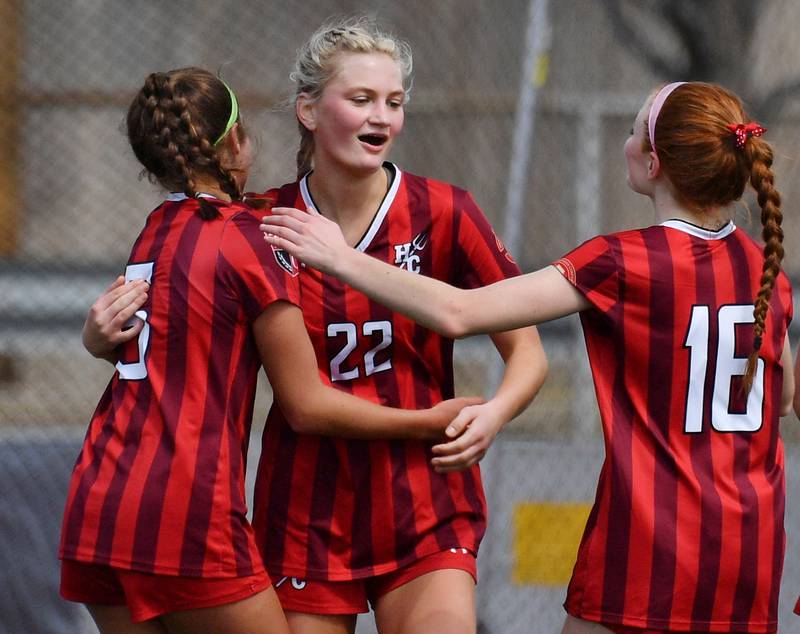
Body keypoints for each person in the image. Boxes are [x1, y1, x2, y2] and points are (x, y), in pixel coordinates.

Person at [262, 81, 795, 633]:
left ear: (654, 162)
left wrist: (339, 257)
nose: (626, 141)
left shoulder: (622, 260)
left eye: (634, 130)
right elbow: (780, 402)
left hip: (651, 546)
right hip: (749, 547)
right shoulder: (766, 271)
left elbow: (460, 313)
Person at [60, 67, 480, 634]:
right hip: (186, 511)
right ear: (234, 142)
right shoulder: (254, 236)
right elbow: (305, 404)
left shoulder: (156, 229)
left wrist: (93, 341)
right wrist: (429, 420)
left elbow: (160, 346)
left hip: (97, 508)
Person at [247, 17, 546, 634]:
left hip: (425, 495)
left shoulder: (443, 211)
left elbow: (529, 354)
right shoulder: (266, 222)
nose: (381, 116)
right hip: (308, 506)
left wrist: (493, 414)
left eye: (395, 101)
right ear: (308, 110)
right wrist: (104, 334)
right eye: (360, 100)